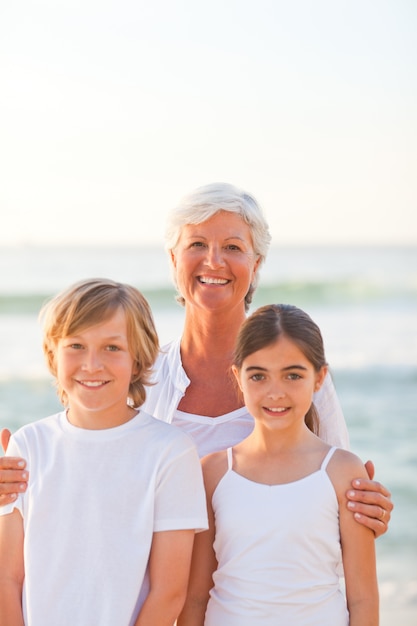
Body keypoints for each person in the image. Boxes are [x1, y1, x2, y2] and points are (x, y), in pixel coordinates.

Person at [0, 182, 393, 534]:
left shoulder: (296, 381)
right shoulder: (132, 374)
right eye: (197, 245)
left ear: (256, 265)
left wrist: (368, 509)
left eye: (234, 247)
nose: (214, 262)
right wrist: (16, 483)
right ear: (173, 260)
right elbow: (81, 481)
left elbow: (344, 501)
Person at [0, 279, 208, 626]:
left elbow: (169, 592)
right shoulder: (28, 446)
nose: (92, 364)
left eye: (112, 348)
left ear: (139, 361)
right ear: (53, 354)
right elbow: (7, 577)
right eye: (76, 346)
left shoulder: (169, 453)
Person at [178, 304, 379, 625]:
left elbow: (363, 599)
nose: (275, 392)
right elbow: (196, 597)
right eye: (258, 375)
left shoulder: (342, 472)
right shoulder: (213, 473)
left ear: (319, 378)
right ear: (238, 377)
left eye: (293, 375)